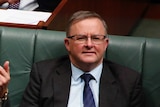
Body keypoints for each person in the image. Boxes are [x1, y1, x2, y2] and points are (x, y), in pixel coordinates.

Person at [19, 10, 144, 107]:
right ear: (68, 44)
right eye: (81, 38)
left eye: (96, 38)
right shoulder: (43, 74)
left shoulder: (128, 81)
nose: (89, 45)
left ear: (105, 44)